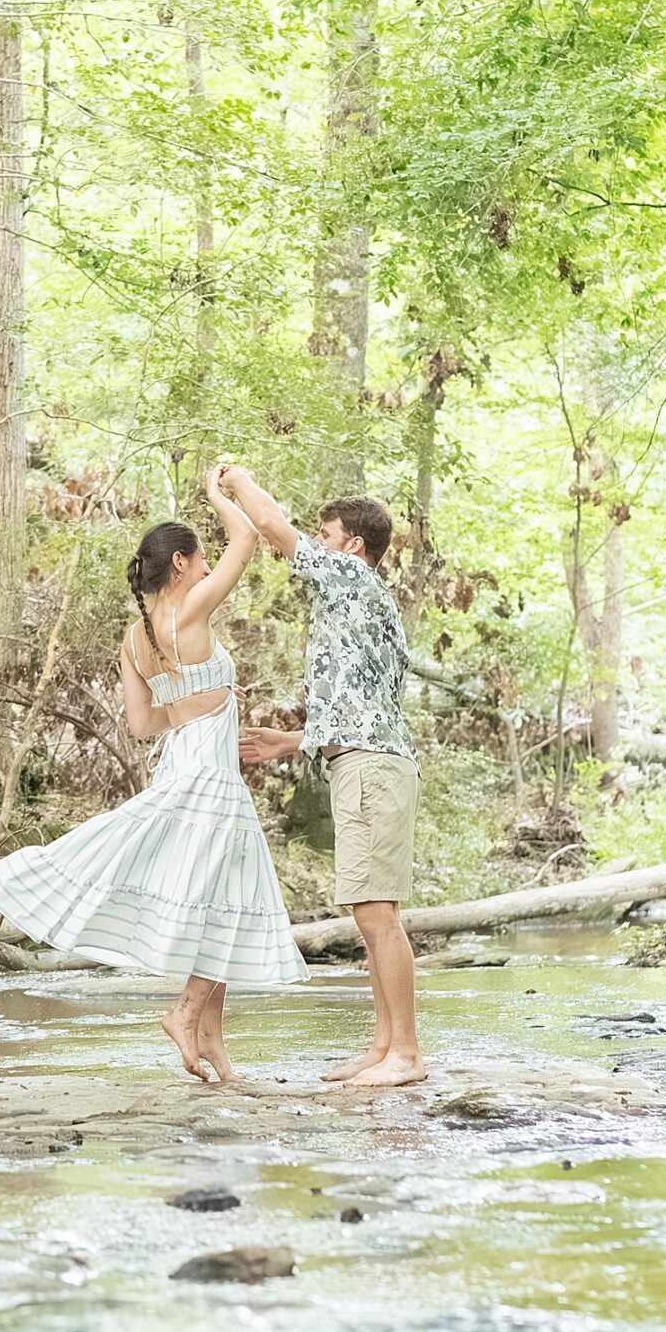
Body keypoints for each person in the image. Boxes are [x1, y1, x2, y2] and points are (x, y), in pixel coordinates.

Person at [0, 467, 306, 1083]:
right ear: (180, 564)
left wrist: (198, 707)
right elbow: (250, 542)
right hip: (208, 776)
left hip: (186, 759)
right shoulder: (189, 610)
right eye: (201, 559)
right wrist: (220, 494)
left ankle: (212, 1042)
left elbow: (142, 724)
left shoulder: (134, 638)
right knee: (229, 905)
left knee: (219, 902)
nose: (210, 569)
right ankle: (185, 1014)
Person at [217, 465, 424, 1089]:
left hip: (371, 769)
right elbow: (359, 705)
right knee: (370, 913)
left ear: (353, 545)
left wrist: (235, 477)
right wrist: (292, 742)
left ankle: (406, 1054)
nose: (318, 542)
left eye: (327, 534)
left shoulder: (352, 576)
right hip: (363, 762)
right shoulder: (361, 597)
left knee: (377, 914)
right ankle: (384, 1045)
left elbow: (275, 527)